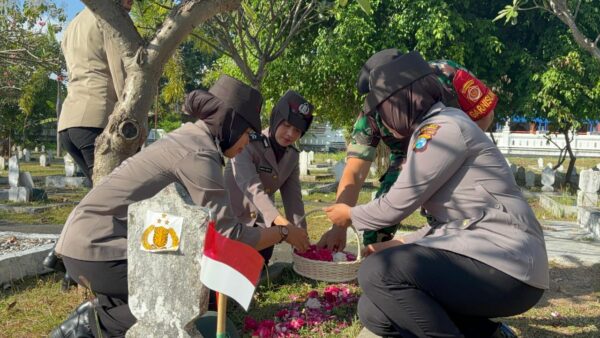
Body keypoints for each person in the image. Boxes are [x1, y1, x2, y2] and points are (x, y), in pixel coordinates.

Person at [49, 75, 310, 338]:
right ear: (230, 124)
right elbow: (230, 235)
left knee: (192, 290)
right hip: (98, 247)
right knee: (184, 296)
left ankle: (105, 312)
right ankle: (91, 324)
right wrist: (283, 232)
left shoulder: (192, 138)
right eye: (247, 134)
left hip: (97, 241)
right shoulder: (200, 153)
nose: (246, 143)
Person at [324, 51, 548, 338]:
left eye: (382, 108)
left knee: (377, 272)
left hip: (507, 263)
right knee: (374, 310)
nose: (380, 119)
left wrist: (349, 215)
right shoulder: (431, 128)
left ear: (400, 101)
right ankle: (489, 334)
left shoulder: (440, 131)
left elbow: (394, 206)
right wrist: (396, 242)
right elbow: (445, 225)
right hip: (479, 251)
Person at [318, 48, 497, 251]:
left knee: (447, 218)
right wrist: (338, 227)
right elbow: (355, 171)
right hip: (406, 159)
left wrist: (455, 156)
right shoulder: (371, 115)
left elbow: (484, 115)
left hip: (456, 149)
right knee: (379, 223)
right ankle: (378, 257)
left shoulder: (447, 74)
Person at [43, 0, 132, 282]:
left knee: (96, 198)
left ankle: (62, 256)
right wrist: (130, 116)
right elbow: (119, 72)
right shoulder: (109, 16)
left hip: (70, 120)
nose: (131, 5)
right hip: (96, 116)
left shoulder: (74, 24)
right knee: (109, 201)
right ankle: (70, 259)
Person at [224, 90, 313, 264]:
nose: (290, 134)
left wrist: (302, 238)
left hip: (264, 229)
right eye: (286, 125)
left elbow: (293, 200)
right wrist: (284, 226)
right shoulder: (247, 142)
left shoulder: (292, 156)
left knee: (258, 273)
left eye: (297, 130)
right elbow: (252, 188)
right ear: (276, 118)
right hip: (232, 224)